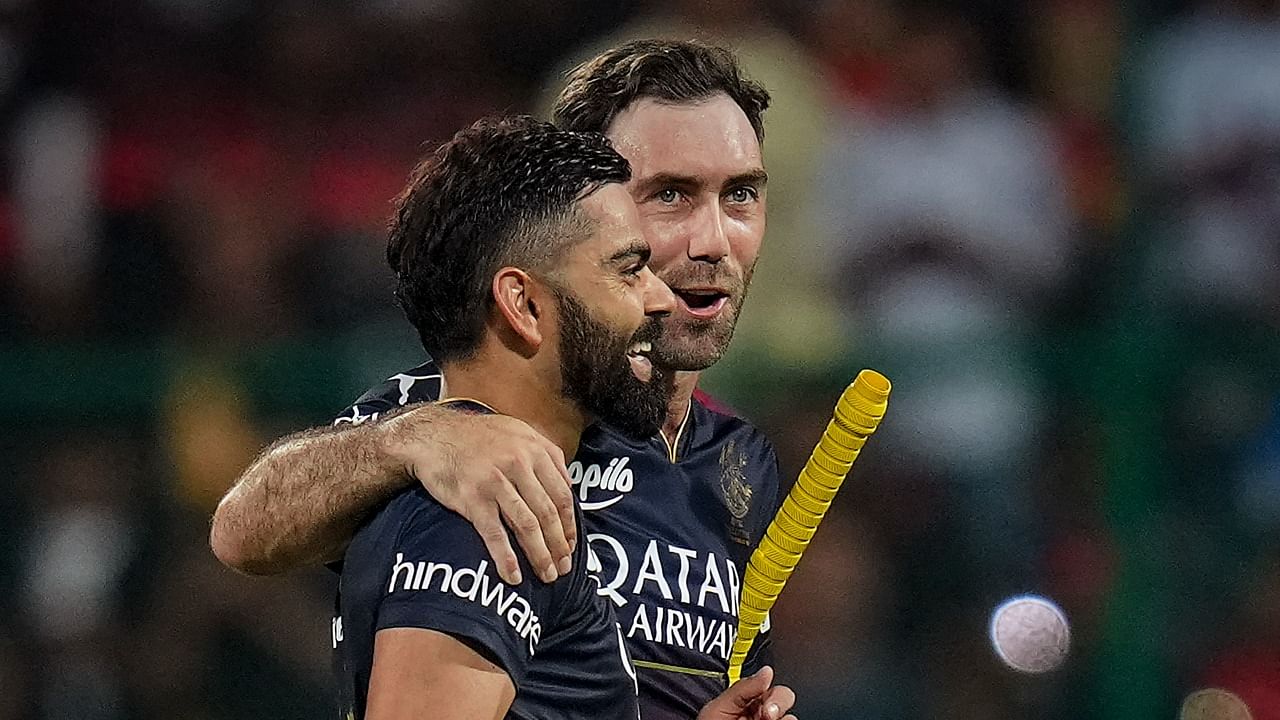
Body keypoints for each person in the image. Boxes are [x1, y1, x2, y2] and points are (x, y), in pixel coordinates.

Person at [212, 40, 784, 720]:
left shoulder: (740, 465)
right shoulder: (468, 426)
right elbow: (241, 531)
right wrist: (414, 440)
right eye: (670, 195)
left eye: (740, 194)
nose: (714, 239)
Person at [334, 115, 793, 720]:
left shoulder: (511, 504)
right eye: (628, 269)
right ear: (523, 305)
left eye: (740, 193)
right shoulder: (489, 514)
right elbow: (237, 530)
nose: (658, 296)